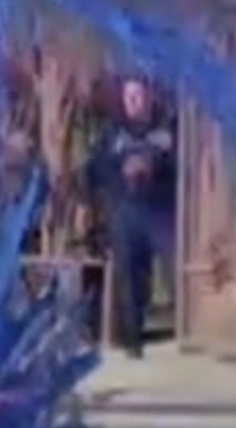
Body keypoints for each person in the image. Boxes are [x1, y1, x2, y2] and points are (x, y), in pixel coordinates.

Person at [87, 76, 177, 358]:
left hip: (161, 211)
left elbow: (183, 162)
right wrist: (121, 168)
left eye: (139, 96)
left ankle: (187, 328)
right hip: (126, 211)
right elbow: (96, 169)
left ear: (150, 97)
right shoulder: (113, 133)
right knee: (128, 275)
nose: (135, 102)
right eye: (130, 97)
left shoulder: (167, 129)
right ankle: (132, 339)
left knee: (175, 266)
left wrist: (154, 165)